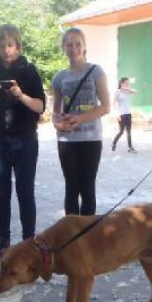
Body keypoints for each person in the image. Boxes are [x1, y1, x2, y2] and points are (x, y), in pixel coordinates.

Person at [0, 25, 46, 261]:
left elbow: (40, 106)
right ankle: (3, 244)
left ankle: (29, 244)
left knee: (26, 192)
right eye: (2, 45)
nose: (6, 50)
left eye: (11, 44)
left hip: (25, 138)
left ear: (18, 45)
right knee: (1, 193)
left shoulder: (29, 70)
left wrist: (20, 95)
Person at [52, 27, 110, 216]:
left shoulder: (96, 71)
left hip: (91, 139)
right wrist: (57, 123)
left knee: (87, 188)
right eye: (69, 44)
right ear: (64, 47)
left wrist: (79, 118)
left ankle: (88, 237)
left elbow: (105, 106)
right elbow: (55, 112)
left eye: (78, 44)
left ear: (84, 47)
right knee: (71, 188)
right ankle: (71, 236)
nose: (74, 48)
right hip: (67, 141)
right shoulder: (59, 77)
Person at [111, 77, 137, 153]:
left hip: (128, 114)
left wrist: (127, 89)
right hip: (121, 114)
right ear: (122, 83)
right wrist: (117, 114)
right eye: (126, 83)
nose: (127, 84)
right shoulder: (118, 92)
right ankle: (114, 143)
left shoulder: (127, 91)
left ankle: (130, 148)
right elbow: (114, 103)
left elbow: (135, 92)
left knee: (129, 131)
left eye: (128, 83)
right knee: (121, 132)